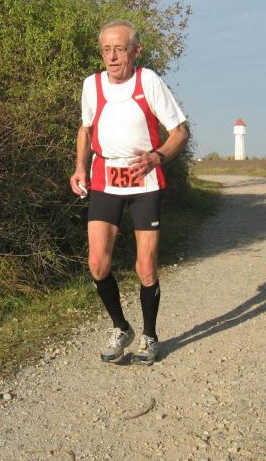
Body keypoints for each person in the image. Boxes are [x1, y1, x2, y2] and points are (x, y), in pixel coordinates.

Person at [69, 20, 188, 364]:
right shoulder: (91, 85)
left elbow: (180, 132)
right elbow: (86, 129)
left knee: (145, 266)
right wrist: (80, 167)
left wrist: (157, 157)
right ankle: (121, 327)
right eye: (106, 50)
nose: (112, 57)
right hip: (105, 178)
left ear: (136, 51)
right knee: (97, 263)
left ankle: (149, 336)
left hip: (143, 181)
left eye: (119, 50)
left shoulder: (147, 81)